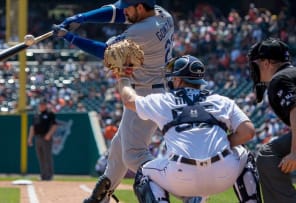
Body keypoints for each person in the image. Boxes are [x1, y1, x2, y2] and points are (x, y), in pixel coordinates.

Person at [52, 0, 175, 202]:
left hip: (145, 95)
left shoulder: (143, 30)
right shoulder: (162, 14)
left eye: (129, 6)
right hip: (153, 88)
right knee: (119, 149)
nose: (124, 10)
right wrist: (81, 18)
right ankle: (101, 197)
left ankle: (185, 191)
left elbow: (109, 53)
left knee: (134, 155)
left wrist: (71, 37)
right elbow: (116, 12)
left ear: (141, 8)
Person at [113, 54, 262, 202]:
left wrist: (122, 77)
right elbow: (248, 132)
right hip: (223, 175)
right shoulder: (221, 101)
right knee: (244, 153)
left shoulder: (164, 100)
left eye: (173, 78)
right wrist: (225, 142)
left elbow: (129, 100)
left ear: (178, 80)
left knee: (144, 173)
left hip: (181, 176)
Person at [248, 38, 296, 202]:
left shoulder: (280, 79)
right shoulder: (291, 73)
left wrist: (294, 152)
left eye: (257, 63)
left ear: (267, 62)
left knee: (268, 154)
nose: (254, 68)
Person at [28, 99, 57, 181]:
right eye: (40, 104)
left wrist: (49, 134)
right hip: (38, 137)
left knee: (47, 157)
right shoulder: (37, 114)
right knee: (41, 157)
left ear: (45, 105)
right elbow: (33, 127)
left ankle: (49, 175)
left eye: (43, 104)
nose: (41, 106)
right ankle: (43, 175)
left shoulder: (50, 114)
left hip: (46, 138)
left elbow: (54, 125)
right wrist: (30, 138)